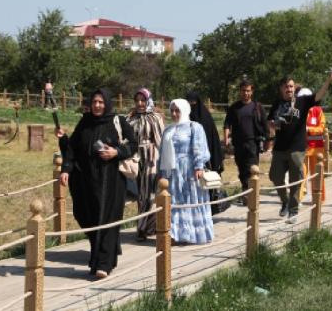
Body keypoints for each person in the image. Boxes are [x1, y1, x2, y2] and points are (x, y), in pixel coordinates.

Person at [56, 88, 136, 278]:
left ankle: (104, 264)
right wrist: (66, 166)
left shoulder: (119, 121)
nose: (97, 105)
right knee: (88, 217)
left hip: (112, 182)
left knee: (107, 220)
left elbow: (133, 144)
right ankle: (98, 257)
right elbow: (72, 149)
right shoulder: (85, 122)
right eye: (94, 102)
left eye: (100, 102)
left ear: (106, 103)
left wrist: (117, 152)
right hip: (88, 182)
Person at [268, 72, 332, 224]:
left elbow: (318, 95)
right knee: (274, 176)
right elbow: (270, 122)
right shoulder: (276, 104)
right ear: (281, 89)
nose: (289, 89)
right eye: (286, 87)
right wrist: (272, 127)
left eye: (291, 86)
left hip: (297, 149)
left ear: (295, 88)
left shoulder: (303, 101)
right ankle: (285, 201)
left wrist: (328, 81)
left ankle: (293, 211)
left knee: (296, 179)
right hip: (279, 148)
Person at [158, 99, 214, 244]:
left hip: (189, 171)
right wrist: (161, 172)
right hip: (172, 172)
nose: (175, 114)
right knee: (174, 201)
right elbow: (162, 151)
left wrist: (199, 166)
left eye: (178, 110)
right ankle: (175, 234)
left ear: (185, 110)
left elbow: (200, 148)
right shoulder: (168, 129)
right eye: (172, 111)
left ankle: (194, 234)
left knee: (190, 199)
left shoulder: (194, 127)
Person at [126, 88, 164, 241]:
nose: (140, 103)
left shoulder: (155, 118)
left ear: (148, 100)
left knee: (148, 193)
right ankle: (148, 226)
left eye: (143, 100)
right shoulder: (131, 118)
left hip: (151, 158)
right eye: (137, 101)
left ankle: (143, 228)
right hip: (135, 159)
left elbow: (161, 140)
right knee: (140, 195)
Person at [223, 79, 269, 196]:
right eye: (243, 91)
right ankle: (246, 193)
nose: (246, 93)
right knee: (242, 171)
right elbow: (227, 123)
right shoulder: (234, 108)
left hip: (253, 143)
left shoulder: (257, 107)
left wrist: (268, 141)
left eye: (248, 91)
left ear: (252, 91)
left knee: (252, 169)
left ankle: (253, 194)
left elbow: (265, 125)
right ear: (240, 91)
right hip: (238, 144)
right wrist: (226, 139)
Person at [185, 92, 224, 175]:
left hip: (206, 151)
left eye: (193, 102)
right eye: (188, 102)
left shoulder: (205, 117)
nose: (191, 104)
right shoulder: (184, 117)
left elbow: (212, 138)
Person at [305, 103, 327, 201]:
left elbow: (321, 127)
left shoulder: (317, 111)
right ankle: (298, 199)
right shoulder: (297, 111)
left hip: (316, 148)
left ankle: (319, 198)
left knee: (317, 173)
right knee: (300, 174)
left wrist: (309, 129)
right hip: (301, 148)